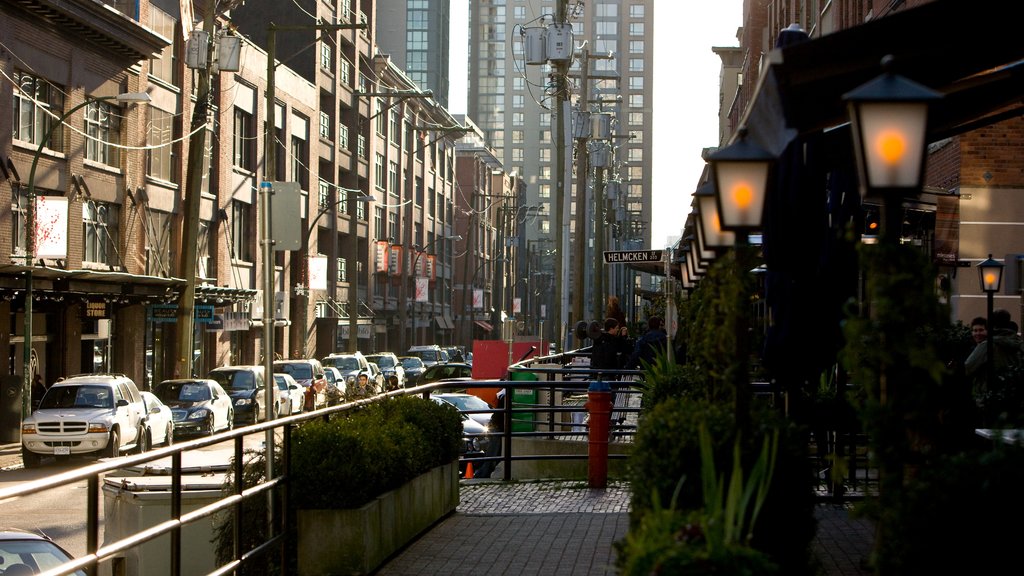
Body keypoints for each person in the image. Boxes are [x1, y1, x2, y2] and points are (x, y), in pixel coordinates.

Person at [964, 309, 1024, 426]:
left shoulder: (988, 345)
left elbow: (969, 367)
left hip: (990, 398)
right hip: (1016, 399)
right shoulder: (1019, 343)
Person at [475, 388, 505, 479]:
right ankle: (483, 474)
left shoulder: (502, 394)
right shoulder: (505, 395)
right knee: (493, 452)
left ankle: (483, 473)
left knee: (492, 452)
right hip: (498, 427)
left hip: (495, 426)